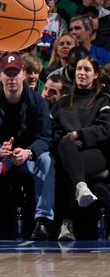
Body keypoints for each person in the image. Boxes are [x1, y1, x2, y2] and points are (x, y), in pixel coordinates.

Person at [0, 53, 55, 241]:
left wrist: (29, 152)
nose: (11, 78)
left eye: (15, 73)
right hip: (3, 158)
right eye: (7, 73)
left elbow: (45, 136)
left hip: (28, 157)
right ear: (0, 75)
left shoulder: (38, 102)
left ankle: (42, 220)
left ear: (23, 74)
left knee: (46, 160)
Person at [50, 56, 110, 241]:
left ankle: (67, 222)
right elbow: (53, 130)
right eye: (79, 69)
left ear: (96, 75)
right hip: (67, 150)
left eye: (87, 70)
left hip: (96, 152)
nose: (82, 73)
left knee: (71, 165)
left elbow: (104, 129)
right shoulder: (62, 102)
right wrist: (69, 140)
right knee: (67, 149)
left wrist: (79, 135)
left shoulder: (104, 99)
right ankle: (81, 187)